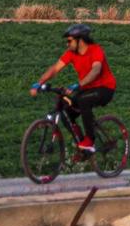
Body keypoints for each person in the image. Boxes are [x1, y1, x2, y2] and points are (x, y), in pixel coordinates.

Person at [33, 23, 117, 155]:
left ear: (80, 40)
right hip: (87, 88)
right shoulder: (71, 53)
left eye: (69, 41)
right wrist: (38, 83)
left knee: (84, 101)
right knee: (66, 111)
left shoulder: (95, 50)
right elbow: (55, 69)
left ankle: (90, 140)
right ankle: (83, 146)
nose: (67, 44)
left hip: (105, 88)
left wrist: (78, 85)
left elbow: (95, 70)